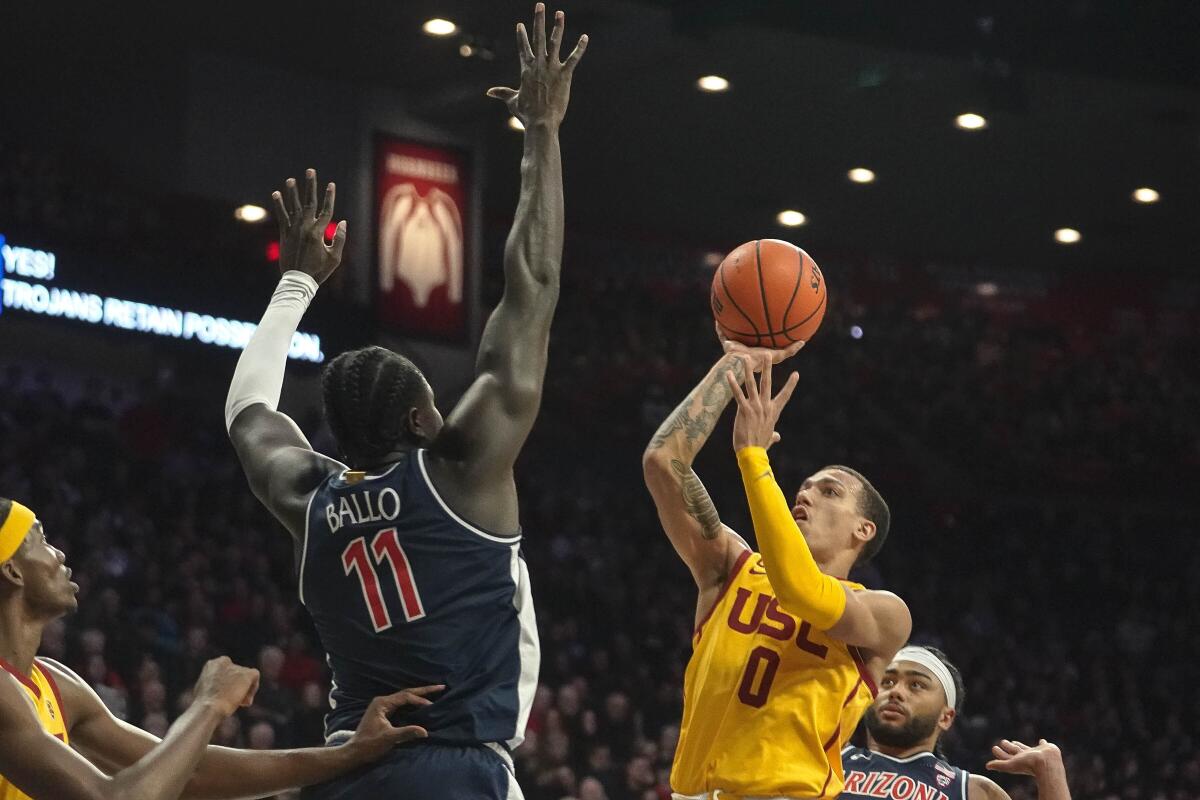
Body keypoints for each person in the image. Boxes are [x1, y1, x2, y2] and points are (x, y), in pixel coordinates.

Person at [223, 5, 587, 798]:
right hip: (456, 769)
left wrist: (295, 282)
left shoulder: (306, 496)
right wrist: (543, 132)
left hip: (349, 768)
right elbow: (534, 286)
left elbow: (247, 412)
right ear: (425, 421)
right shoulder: (461, 471)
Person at [0, 497, 437, 800]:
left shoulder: (54, 683)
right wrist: (207, 705)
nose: (57, 553)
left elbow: (188, 771)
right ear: (12, 571)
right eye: (39, 539)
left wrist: (347, 754)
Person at [642, 347, 912, 799]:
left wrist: (754, 459)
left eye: (830, 492)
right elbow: (662, 463)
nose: (805, 496)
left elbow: (802, 592)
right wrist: (734, 364)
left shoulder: (884, 614)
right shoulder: (732, 567)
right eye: (803, 488)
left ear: (863, 530)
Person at [841, 645, 1071, 800]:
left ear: (946, 717)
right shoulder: (828, 756)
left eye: (916, 685)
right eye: (887, 681)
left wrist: (1050, 774)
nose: (896, 692)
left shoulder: (972, 791)